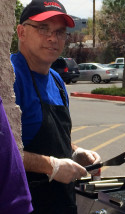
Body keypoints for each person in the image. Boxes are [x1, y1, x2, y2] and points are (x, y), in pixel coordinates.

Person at [10, 0, 101, 213]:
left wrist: (76, 152)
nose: (53, 38)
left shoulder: (57, 81)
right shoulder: (9, 76)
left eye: (60, 32)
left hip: (62, 203)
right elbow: (5, 151)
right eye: (43, 28)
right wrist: (52, 166)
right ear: (21, 32)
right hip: (25, 204)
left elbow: (54, 138)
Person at [0, 96, 33, 214]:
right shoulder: (19, 82)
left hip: (64, 197)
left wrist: (74, 150)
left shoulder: (57, 83)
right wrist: (51, 165)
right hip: (38, 191)